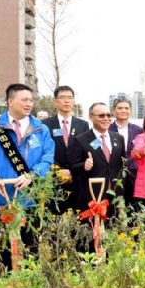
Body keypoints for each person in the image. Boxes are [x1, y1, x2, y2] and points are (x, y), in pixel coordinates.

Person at [0, 83, 55, 276]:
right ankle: (4, 282)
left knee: (32, 240)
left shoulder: (40, 129)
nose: (29, 104)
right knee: (2, 242)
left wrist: (32, 175)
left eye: (31, 100)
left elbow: (47, 158)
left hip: (30, 194)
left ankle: (32, 280)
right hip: (2, 194)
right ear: (10, 101)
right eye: (24, 100)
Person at [68, 103, 126, 252]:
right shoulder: (80, 140)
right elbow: (73, 167)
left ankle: (110, 268)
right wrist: (84, 166)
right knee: (87, 238)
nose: (106, 118)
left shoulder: (118, 138)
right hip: (90, 197)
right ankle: (88, 268)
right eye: (101, 115)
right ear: (91, 117)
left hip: (112, 196)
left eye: (108, 115)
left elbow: (121, 166)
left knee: (112, 236)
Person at [42, 86, 89, 214]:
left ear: (73, 101)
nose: (67, 101)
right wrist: (59, 170)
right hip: (53, 180)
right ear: (56, 101)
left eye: (70, 98)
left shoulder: (83, 125)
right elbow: (44, 151)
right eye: (62, 98)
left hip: (76, 179)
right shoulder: (45, 124)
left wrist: (73, 171)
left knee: (78, 222)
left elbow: (85, 151)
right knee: (53, 222)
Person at [109, 96, 144, 209]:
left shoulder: (139, 130)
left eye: (126, 108)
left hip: (134, 175)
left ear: (130, 110)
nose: (123, 111)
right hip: (114, 175)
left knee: (134, 208)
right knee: (113, 208)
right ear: (114, 110)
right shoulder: (107, 129)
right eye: (120, 108)